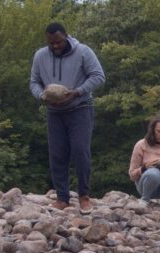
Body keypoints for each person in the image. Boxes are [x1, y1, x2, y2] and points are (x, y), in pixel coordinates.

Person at [30, 22, 105, 214]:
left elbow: (98, 76)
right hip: (54, 112)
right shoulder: (40, 56)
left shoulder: (83, 51)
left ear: (66, 36)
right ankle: (62, 197)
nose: (55, 46)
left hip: (80, 108)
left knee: (80, 151)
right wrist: (42, 96)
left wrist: (77, 92)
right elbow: (34, 82)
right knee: (57, 154)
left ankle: (84, 196)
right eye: (51, 43)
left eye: (58, 42)